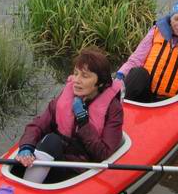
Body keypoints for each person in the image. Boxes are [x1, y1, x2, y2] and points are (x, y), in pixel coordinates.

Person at [15, 46, 123, 183]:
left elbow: (103, 154)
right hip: (56, 156)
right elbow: (38, 125)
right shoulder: (67, 95)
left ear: (100, 83)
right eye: (76, 73)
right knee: (29, 157)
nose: (77, 80)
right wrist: (26, 146)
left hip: (79, 168)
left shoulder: (113, 109)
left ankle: (28, 190)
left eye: (85, 76)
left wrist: (83, 122)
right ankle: (28, 178)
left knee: (51, 141)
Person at [116, 0, 178, 104]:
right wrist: (120, 75)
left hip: (173, 100)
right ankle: (119, 105)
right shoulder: (156, 31)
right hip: (146, 92)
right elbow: (135, 60)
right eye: (176, 19)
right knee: (138, 73)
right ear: (170, 19)